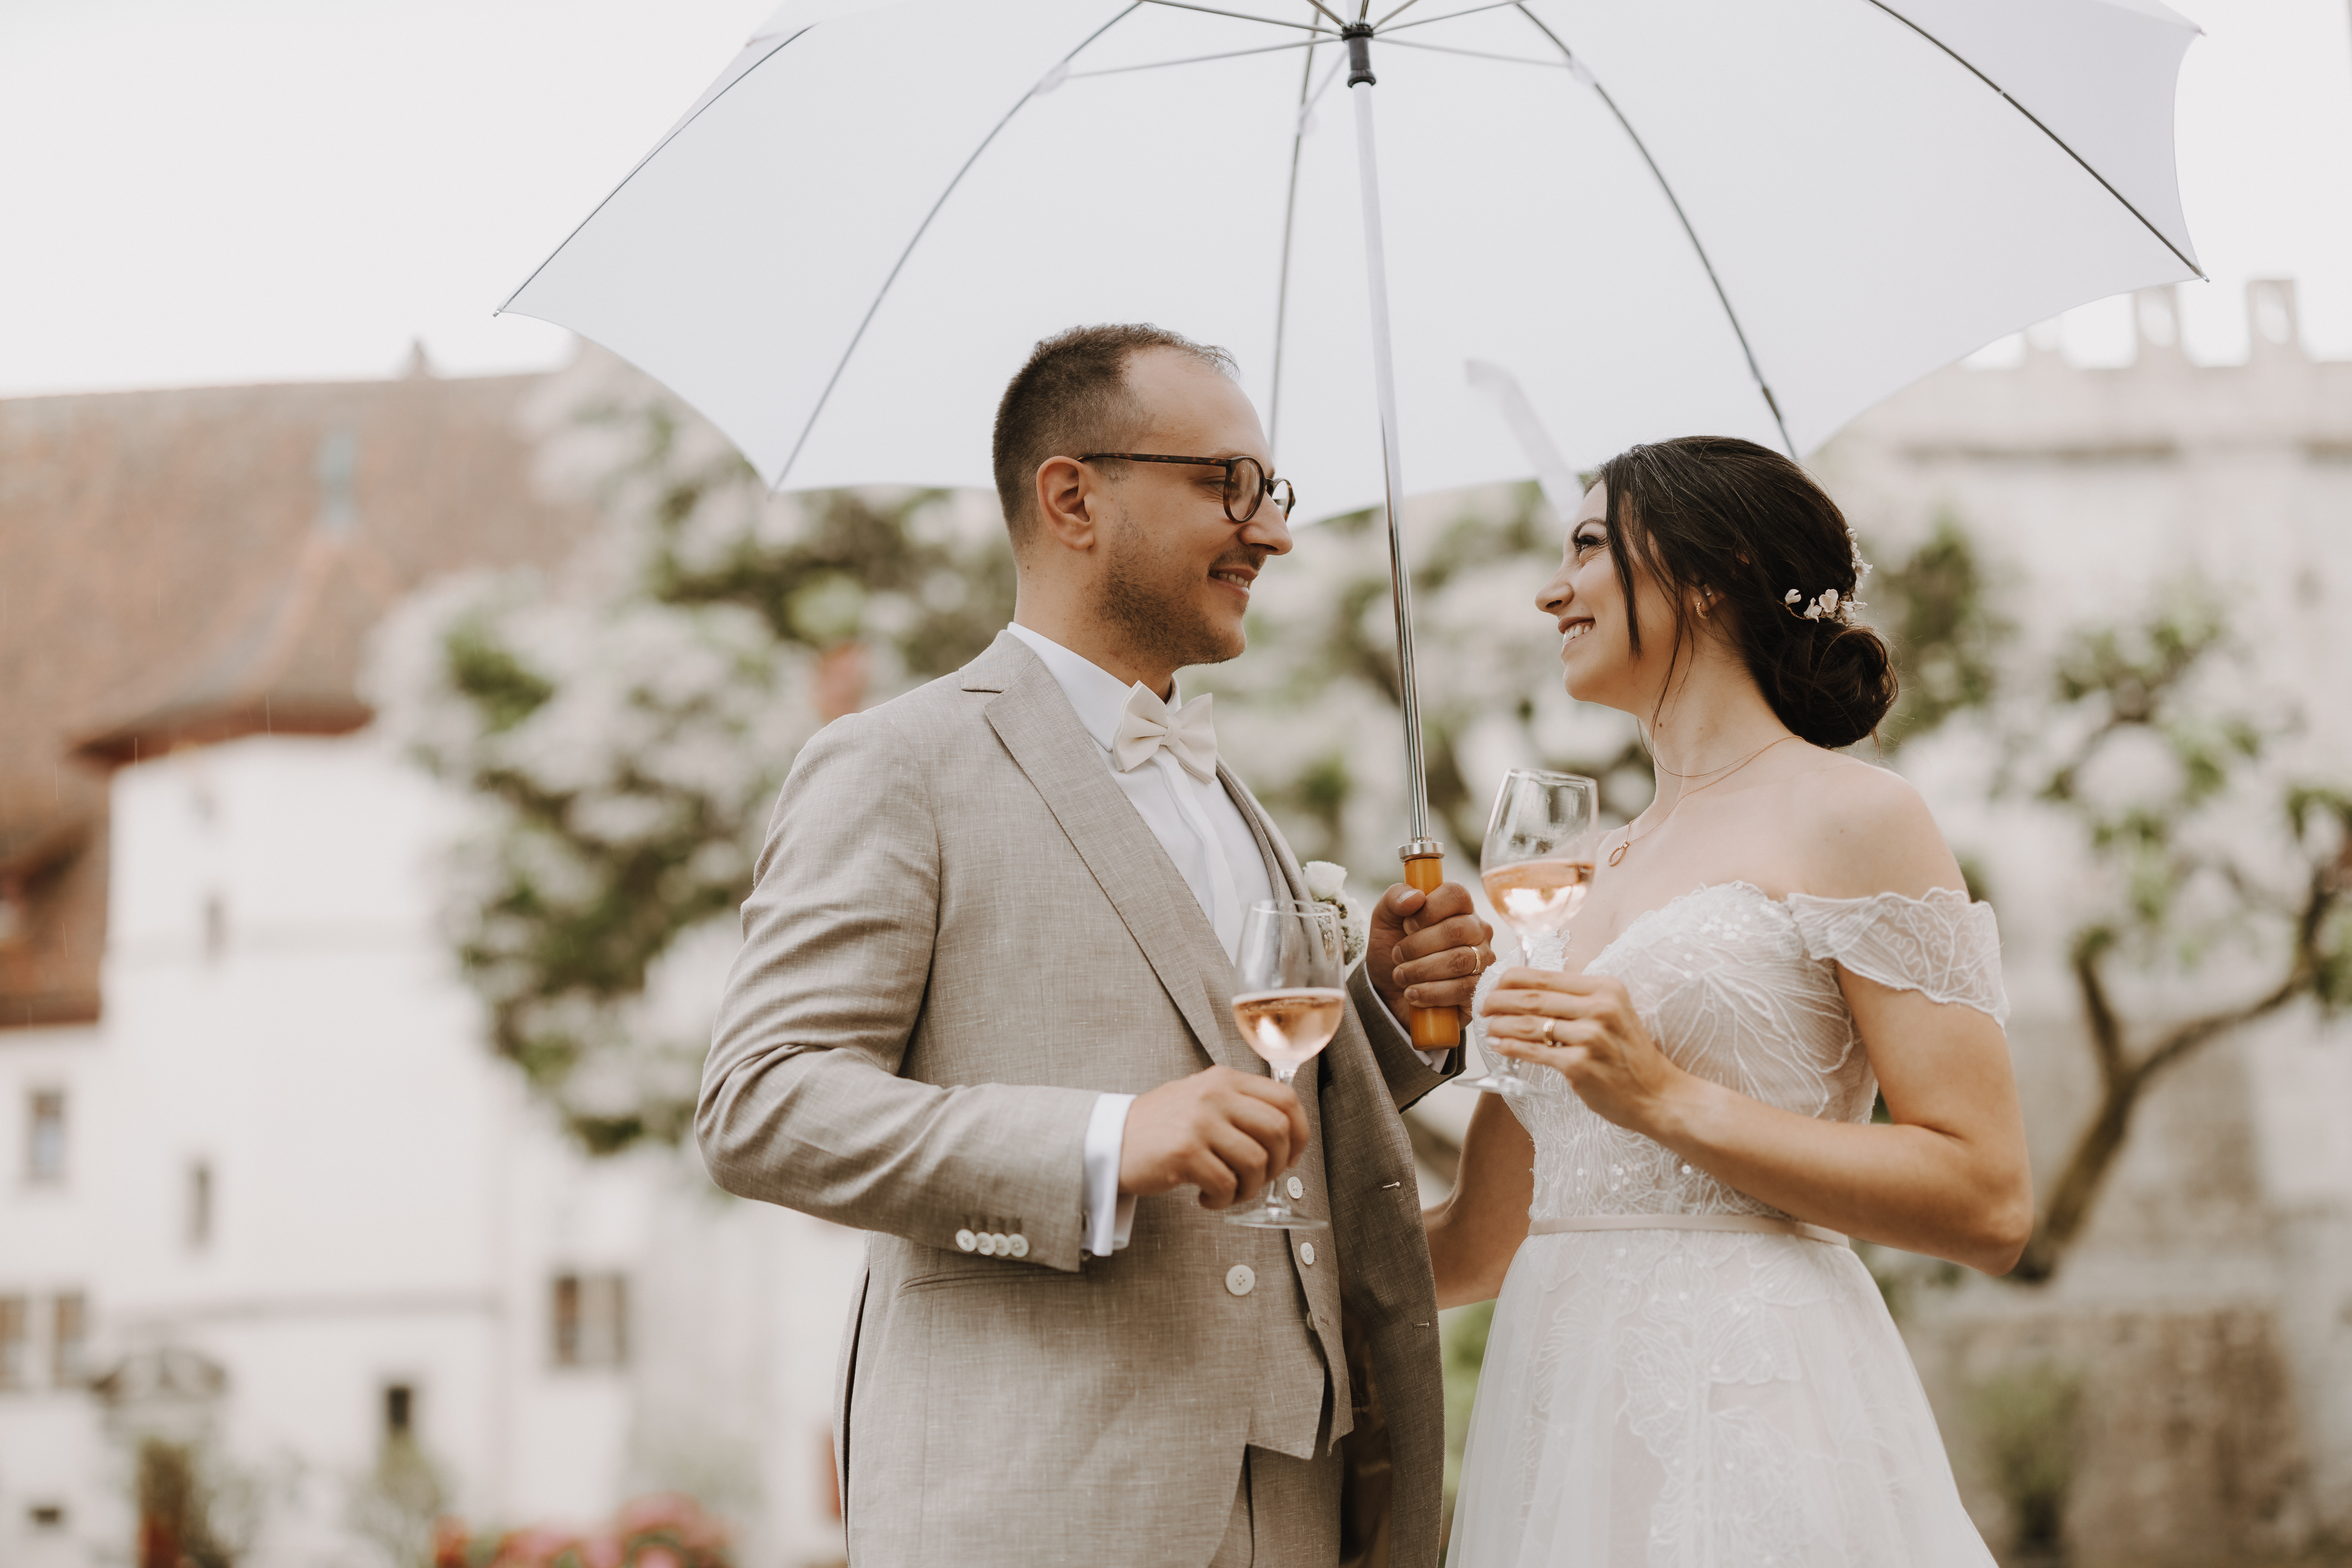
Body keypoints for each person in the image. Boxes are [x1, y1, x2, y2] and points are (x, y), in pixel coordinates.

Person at [699, 324, 1495, 1568]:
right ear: (1072, 496)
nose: (1273, 532)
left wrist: (1379, 1017)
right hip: (1038, 1504)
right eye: (1225, 485)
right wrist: (1107, 1139)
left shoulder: (1232, 795)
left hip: (1295, 1503)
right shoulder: (895, 764)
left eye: (1269, 491)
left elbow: (1246, 1104)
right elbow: (763, 1103)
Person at [1429, 436, 2032, 1565]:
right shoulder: (1577, 876)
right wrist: (1270, 1244)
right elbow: (1478, 1244)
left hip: (1754, 1402)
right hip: (1559, 1436)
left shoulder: (1857, 817)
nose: (1550, 589)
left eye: (1589, 547)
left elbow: (1988, 1198)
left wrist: (1661, 1098)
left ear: (1714, 570)